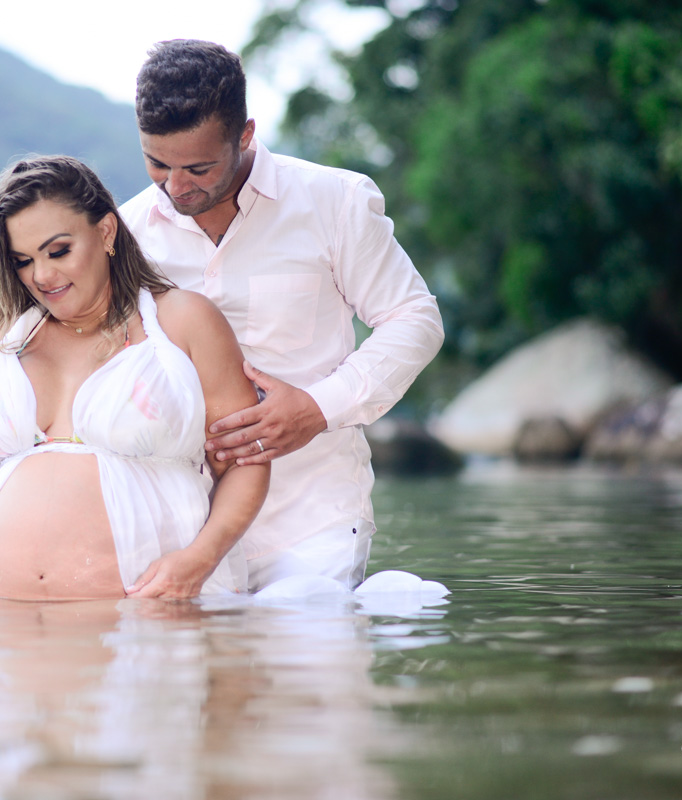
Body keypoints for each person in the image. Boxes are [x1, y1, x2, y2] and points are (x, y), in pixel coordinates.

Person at [118, 40, 444, 591]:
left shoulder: (333, 201)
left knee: (302, 645)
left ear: (244, 135)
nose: (175, 187)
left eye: (197, 167)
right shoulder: (125, 234)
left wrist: (319, 407)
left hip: (312, 516)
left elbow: (414, 318)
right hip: (177, 522)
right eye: (157, 164)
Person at [0, 155, 268, 600]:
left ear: (106, 231)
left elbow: (246, 462)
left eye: (59, 251)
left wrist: (201, 560)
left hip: (147, 618)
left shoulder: (183, 321)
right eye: (22, 260)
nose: (41, 275)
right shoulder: (8, 337)